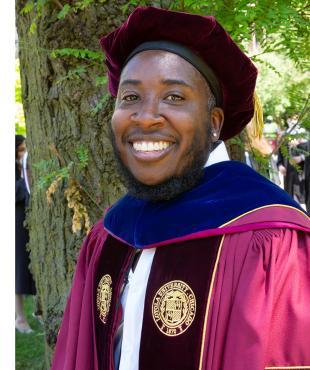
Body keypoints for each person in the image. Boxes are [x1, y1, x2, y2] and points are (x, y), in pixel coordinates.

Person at [52, 7, 310, 370]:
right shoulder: (110, 235)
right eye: (130, 98)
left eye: (174, 97)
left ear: (214, 123)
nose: (145, 116)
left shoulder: (271, 238)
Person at [15, 135, 36, 333]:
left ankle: (36, 311)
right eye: (20, 150)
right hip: (15, 229)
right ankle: (19, 318)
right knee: (18, 272)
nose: (23, 153)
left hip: (27, 225)